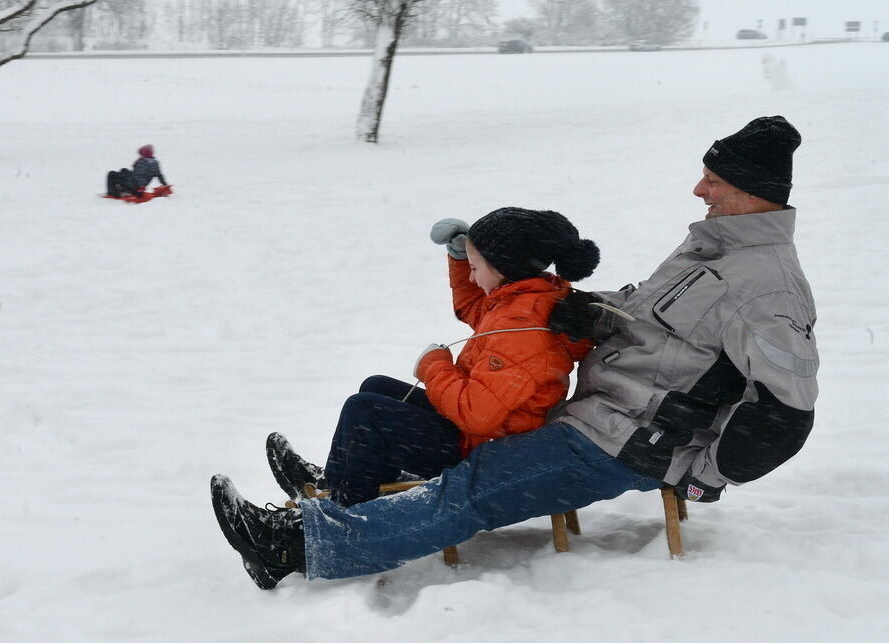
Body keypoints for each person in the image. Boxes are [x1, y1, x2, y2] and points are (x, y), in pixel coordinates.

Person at [209, 115, 819, 591]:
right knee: (444, 447)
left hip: (627, 445)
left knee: (472, 489)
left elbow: (787, 411)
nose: (698, 188)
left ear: (749, 191)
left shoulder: (767, 286)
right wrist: (576, 309)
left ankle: (298, 548)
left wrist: (705, 477)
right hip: (592, 415)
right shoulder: (710, 251)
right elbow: (651, 316)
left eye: (713, 180)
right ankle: (350, 494)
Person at [266, 207, 598, 508]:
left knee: (365, 411)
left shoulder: (521, 328)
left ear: (503, 268)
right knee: (376, 387)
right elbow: (475, 307)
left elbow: (476, 414)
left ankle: (340, 512)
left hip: (487, 449)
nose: (470, 277)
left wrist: (434, 366)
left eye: (475, 268)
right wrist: (459, 257)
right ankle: (342, 477)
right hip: (490, 431)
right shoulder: (526, 300)